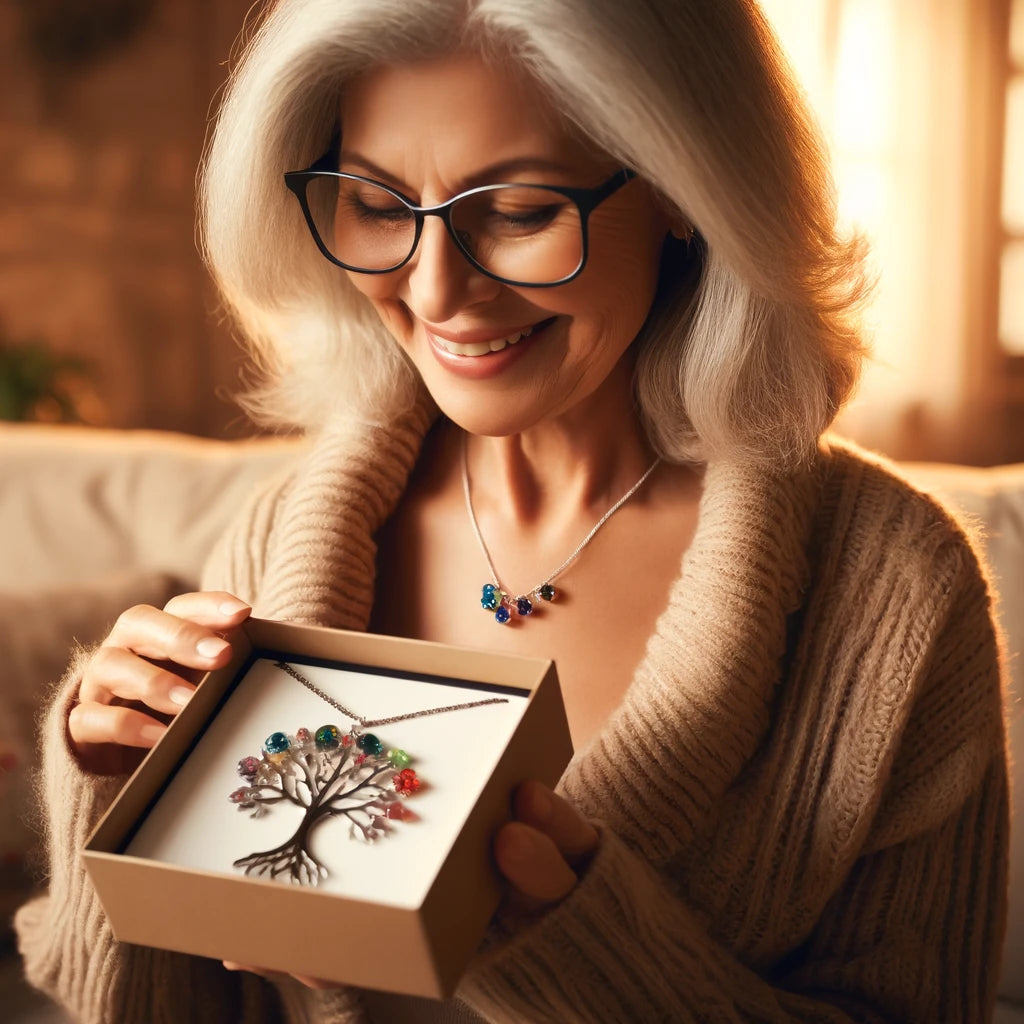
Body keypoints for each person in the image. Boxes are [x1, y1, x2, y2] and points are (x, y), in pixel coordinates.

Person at [16, 0, 1009, 1021]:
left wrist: (577, 954)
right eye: (376, 203)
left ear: (685, 191)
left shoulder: (892, 589)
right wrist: (116, 791)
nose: (437, 288)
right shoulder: (280, 537)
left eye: (522, 211)